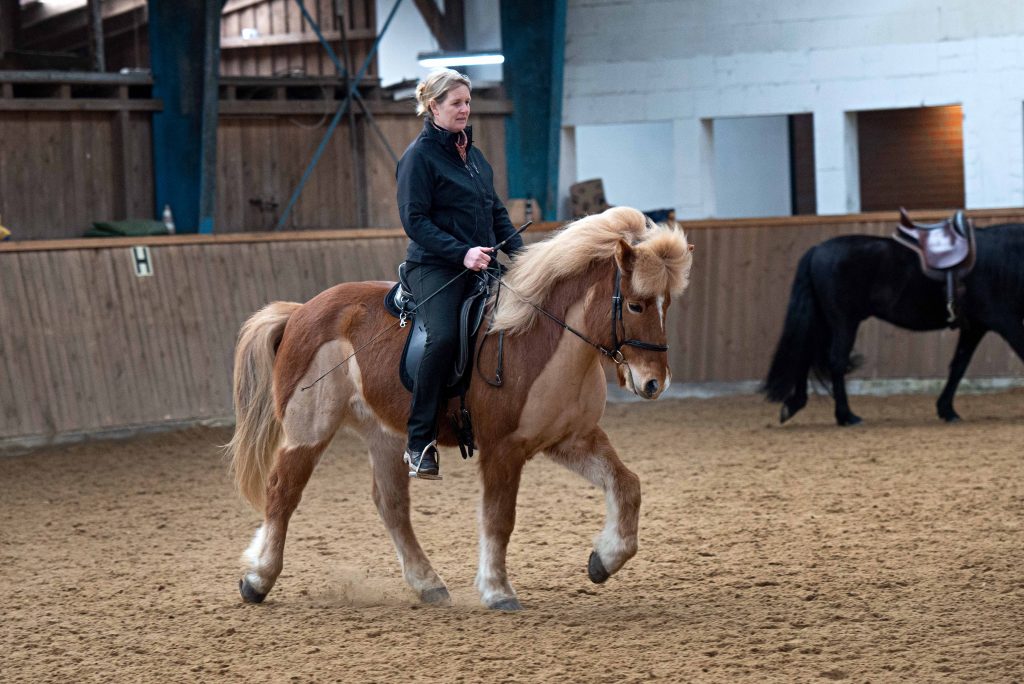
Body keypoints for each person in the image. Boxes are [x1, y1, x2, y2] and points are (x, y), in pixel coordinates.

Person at [396, 68, 524, 480]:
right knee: (445, 337)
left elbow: (496, 213)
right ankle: (419, 442)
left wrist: (526, 260)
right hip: (434, 267)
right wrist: (462, 252)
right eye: (456, 103)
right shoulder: (418, 157)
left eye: (468, 102)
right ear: (433, 106)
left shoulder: (475, 156)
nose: (465, 110)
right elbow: (415, 221)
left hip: (480, 262)